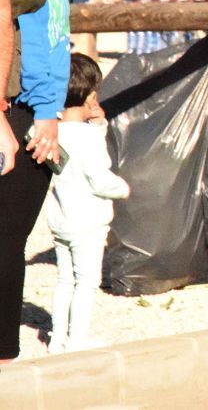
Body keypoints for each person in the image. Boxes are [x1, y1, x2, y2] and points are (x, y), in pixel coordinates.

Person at [0, 0, 62, 363]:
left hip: (30, 111)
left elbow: (53, 47)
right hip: (14, 104)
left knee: (9, 236)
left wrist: (48, 115)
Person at [46, 54, 129, 354]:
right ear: (92, 95)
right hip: (87, 223)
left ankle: (57, 338)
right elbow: (99, 178)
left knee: (64, 281)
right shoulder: (89, 139)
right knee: (86, 282)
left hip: (60, 218)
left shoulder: (50, 131)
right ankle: (78, 338)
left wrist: (98, 125)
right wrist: (124, 189)